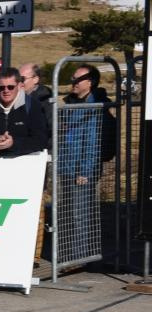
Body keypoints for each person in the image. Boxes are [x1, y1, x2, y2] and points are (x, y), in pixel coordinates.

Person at [58, 64, 115, 260]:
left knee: (80, 214)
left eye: (77, 79)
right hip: (67, 166)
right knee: (67, 213)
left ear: (89, 83)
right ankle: (68, 254)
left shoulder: (95, 108)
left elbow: (93, 142)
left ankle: (81, 256)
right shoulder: (71, 104)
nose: (73, 83)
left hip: (82, 171)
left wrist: (85, 171)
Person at [0, 67, 48, 157]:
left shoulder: (32, 105)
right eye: (1, 87)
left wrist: (13, 144)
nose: (6, 91)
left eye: (10, 87)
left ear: (19, 86)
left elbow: (40, 140)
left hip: (24, 165)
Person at [19, 62, 54, 266]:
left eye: (23, 79)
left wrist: (33, 146)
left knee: (36, 204)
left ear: (35, 79)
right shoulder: (19, 98)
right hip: (21, 159)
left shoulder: (45, 102)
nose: (20, 82)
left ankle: (34, 253)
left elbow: (49, 132)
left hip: (37, 159)